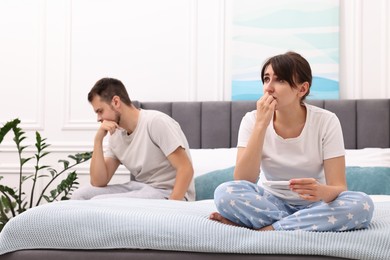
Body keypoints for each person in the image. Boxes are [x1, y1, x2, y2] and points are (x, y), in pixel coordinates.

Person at [209, 52, 374, 231]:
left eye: (279, 80)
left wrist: (321, 191)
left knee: (362, 205)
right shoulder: (252, 120)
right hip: (269, 203)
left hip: (315, 205)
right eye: (266, 79)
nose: (268, 88)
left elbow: (339, 187)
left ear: (302, 89)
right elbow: (243, 179)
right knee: (224, 193)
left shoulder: (326, 121)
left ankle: (269, 228)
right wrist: (261, 126)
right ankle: (297, 224)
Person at [72, 77, 195, 201]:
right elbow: (98, 182)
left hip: (168, 192)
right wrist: (98, 140)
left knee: (102, 202)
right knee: (80, 196)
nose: (98, 118)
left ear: (116, 102)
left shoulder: (155, 122)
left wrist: (171, 207)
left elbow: (185, 168)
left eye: (100, 111)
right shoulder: (116, 136)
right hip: (141, 188)